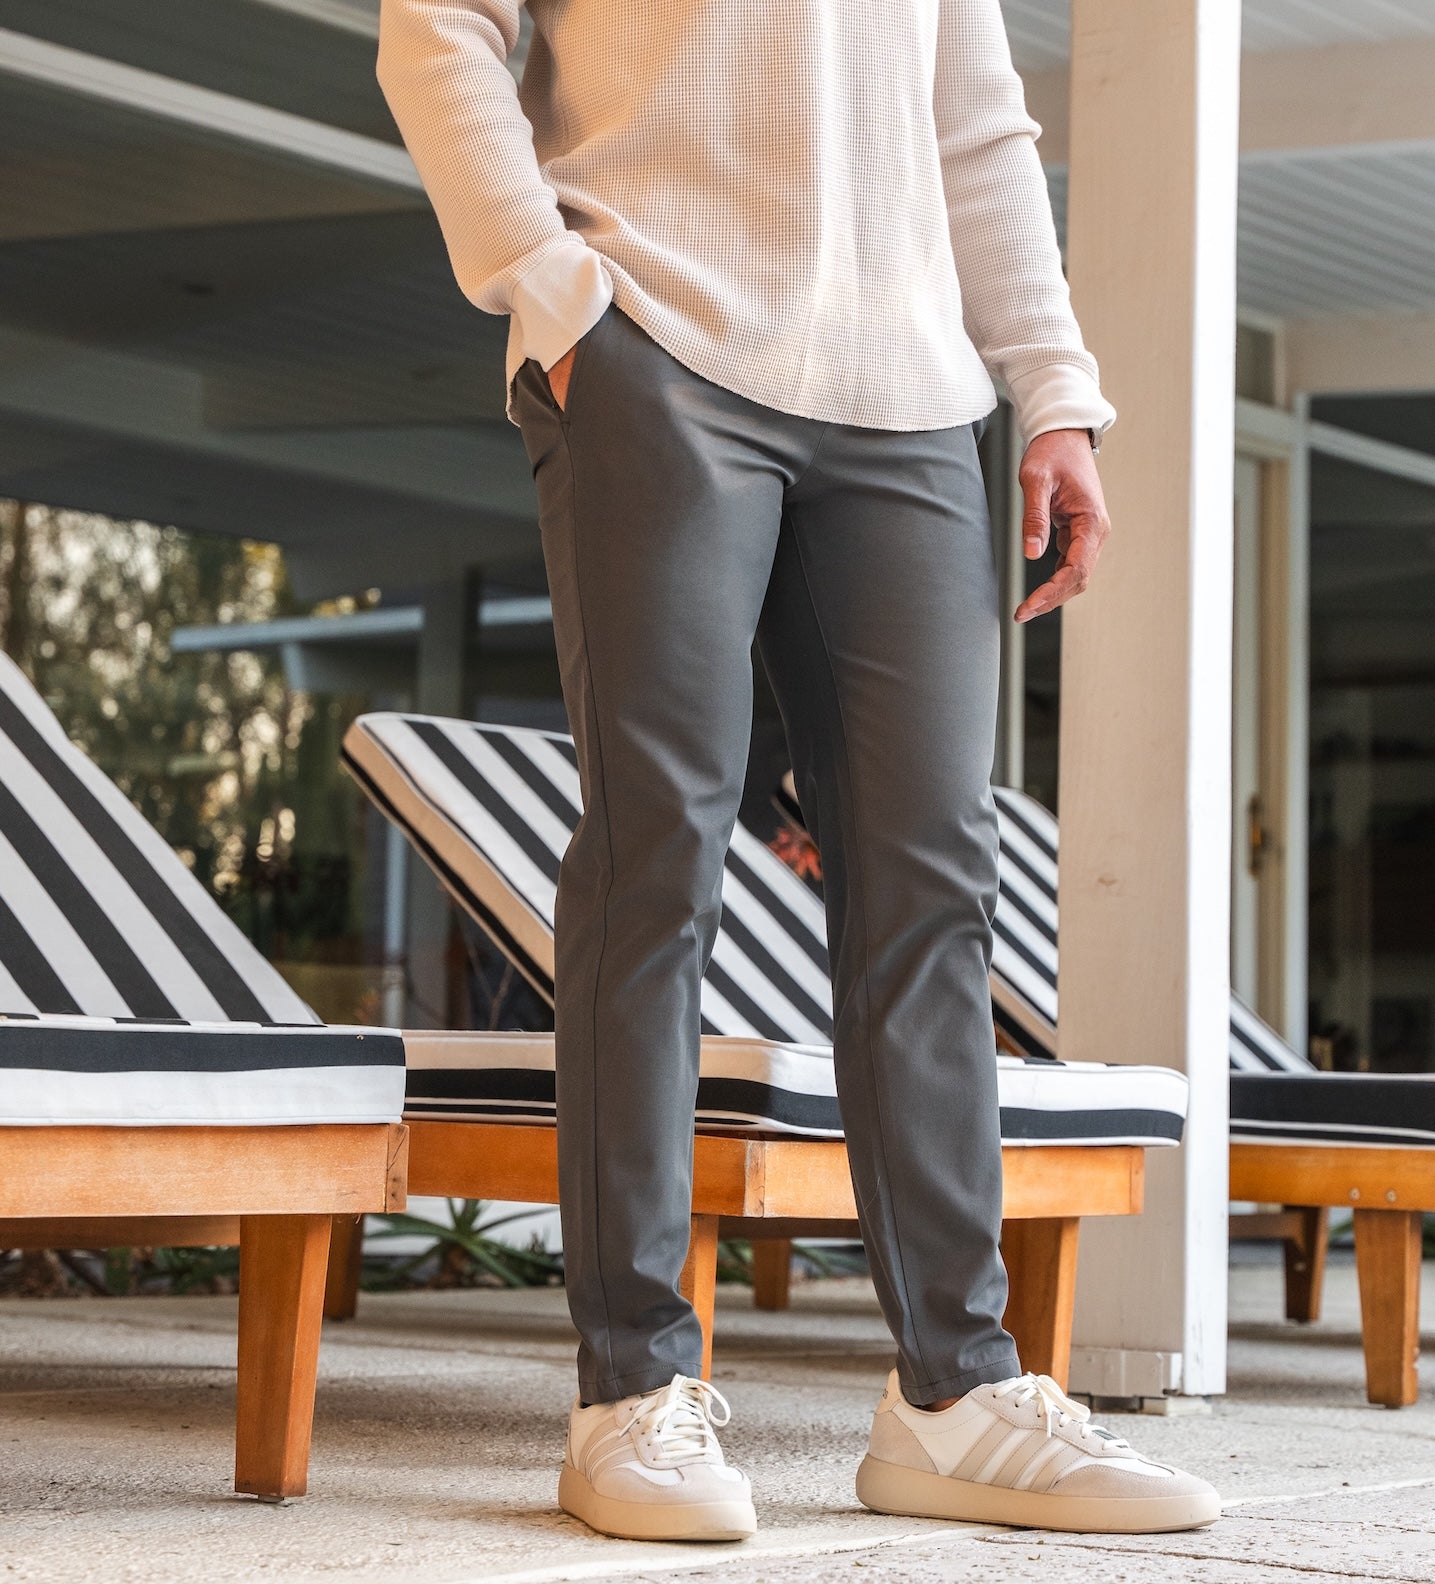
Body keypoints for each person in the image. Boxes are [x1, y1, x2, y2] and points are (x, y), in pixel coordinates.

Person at [377, 0, 1220, 1542]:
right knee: (659, 854)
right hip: (655, 337)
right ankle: (632, 1390)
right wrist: (549, 287)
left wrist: (1054, 386)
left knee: (930, 887)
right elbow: (437, 26)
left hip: (913, 393)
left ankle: (955, 1399)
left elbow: (976, 123)